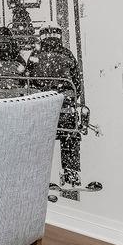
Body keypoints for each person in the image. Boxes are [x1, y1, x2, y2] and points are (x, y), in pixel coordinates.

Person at [26, 26, 85, 188]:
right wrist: (69, 100)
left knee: (37, 140)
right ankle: (71, 172)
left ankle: (36, 174)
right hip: (65, 110)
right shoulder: (67, 55)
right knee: (70, 136)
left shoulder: (35, 56)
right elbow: (77, 85)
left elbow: (27, 81)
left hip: (41, 111)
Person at [0, 27, 27, 97]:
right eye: (2, 39)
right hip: (16, 97)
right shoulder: (18, 59)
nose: (4, 42)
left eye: (5, 39)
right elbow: (24, 80)